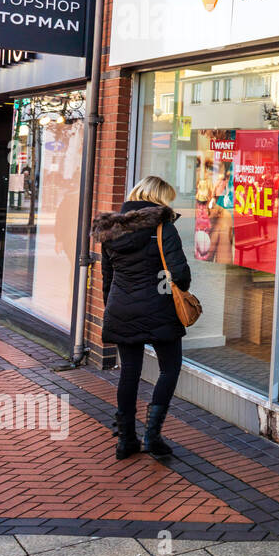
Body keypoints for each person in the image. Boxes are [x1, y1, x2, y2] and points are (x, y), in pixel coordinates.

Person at [90, 175, 192, 461]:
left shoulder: (110, 230)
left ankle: (126, 440)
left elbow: (107, 278)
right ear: (157, 198)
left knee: (129, 371)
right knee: (169, 368)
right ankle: (152, 435)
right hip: (160, 310)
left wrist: (114, 305)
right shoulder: (163, 227)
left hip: (121, 309)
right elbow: (180, 274)